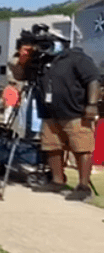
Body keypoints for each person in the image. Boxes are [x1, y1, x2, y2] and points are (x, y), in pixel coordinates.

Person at [10, 35, 99, 201]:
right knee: (52, 147)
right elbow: (20, 76)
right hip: (50, 114)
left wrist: (92, 105)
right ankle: (57, 180)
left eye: (46, 44)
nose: (43, 48)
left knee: (81, 148)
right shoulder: (41, 62)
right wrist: (20, 59)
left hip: (75, 112)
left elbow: (93, 80)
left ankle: (83, 186)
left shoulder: (76, 58)